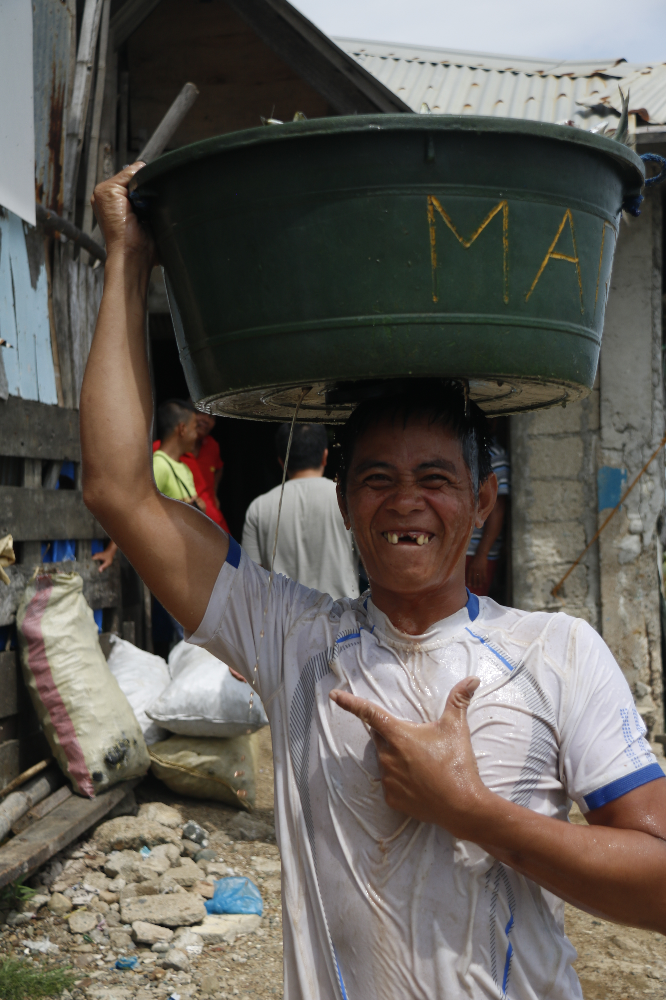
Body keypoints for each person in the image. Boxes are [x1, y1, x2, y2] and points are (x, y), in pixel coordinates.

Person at [81, 163, 666, 1000]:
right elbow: (116, 487)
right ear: (346, 505)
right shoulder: (294, 640)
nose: (406, 502)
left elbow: (659, 884)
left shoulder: (555, 651)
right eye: (377, 479)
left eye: (435, 478)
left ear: (482, 502)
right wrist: (126, 257)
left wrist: (473, 812)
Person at [242, 422, 358, 600]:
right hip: (343, 620)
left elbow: (252, 579)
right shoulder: (346, 499)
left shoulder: (259, 508)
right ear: (325, 456)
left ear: (281, 461)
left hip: (283, 623)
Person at [465, 433, 510, 596]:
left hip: (475, 553)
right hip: (459, 550)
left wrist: (482, 554)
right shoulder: (457, 447)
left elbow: (497, 508)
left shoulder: (494, 455)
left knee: (468, 611)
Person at [152, 399, 206, 512]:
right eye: (195, 428)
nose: (197, 435)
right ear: (182, 429)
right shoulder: (159, 465)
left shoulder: (185, 468)